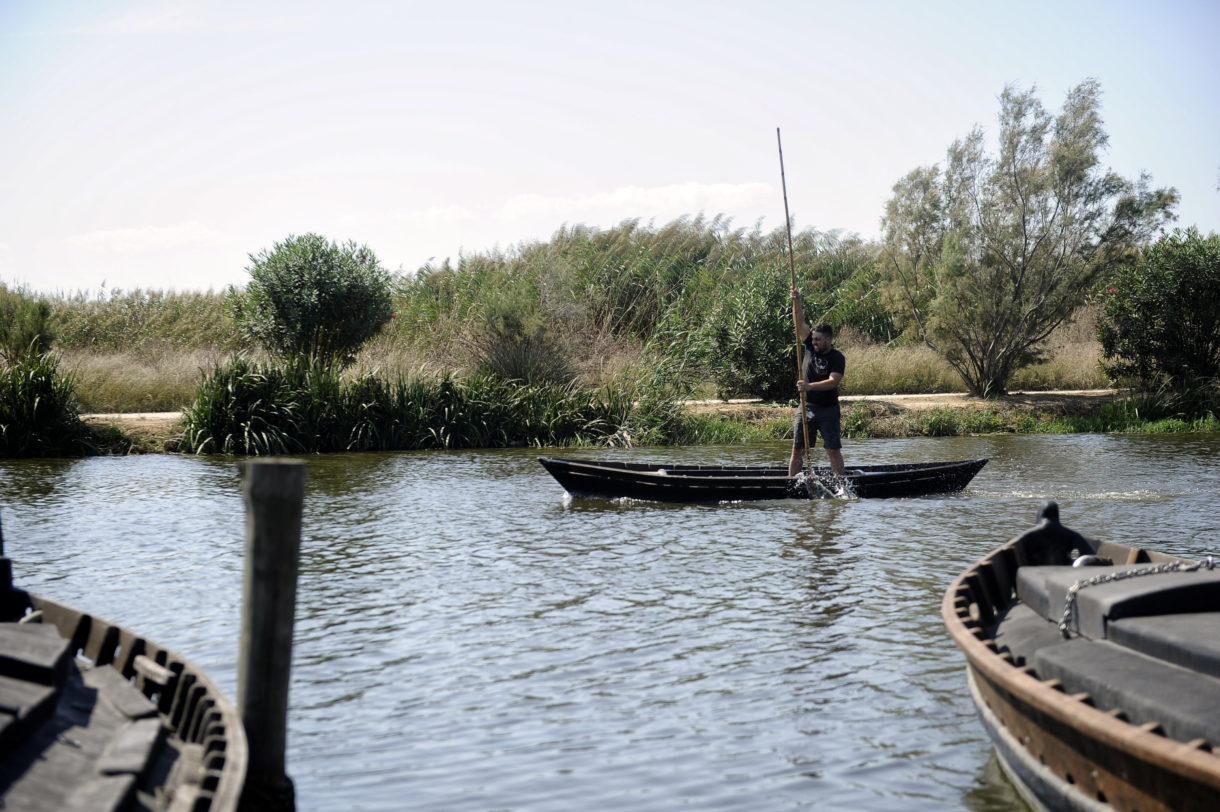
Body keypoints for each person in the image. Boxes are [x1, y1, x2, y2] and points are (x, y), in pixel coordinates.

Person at [788, 287, 846, 477]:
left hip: (828, 409)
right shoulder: (809, 346)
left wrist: (809, 386)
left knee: (832, 450)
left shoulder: (837, 357)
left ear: (828, 340)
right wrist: (797, 301)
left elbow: (832, 382)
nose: (814, 343)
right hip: (807, 407)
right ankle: (791, 484)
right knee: (798, 451)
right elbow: (800, 323)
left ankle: (841, 485)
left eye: (818, 340)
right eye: (813, 339)